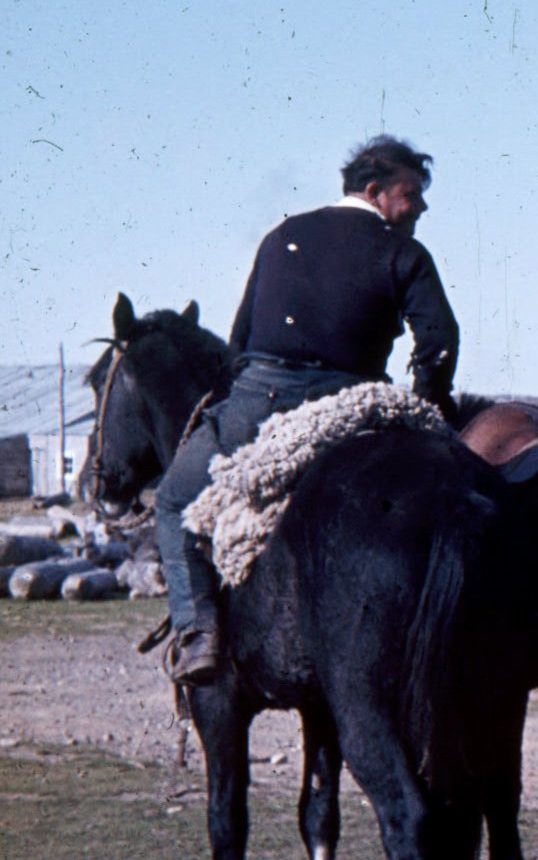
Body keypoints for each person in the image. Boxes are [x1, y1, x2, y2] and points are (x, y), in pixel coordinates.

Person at [156, 135, 459, 686]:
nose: (421, 207)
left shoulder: (282, 236)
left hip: (259, 397)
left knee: (176, 500)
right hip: (351, 406)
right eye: (411, 194)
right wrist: (428, 412)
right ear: (375, 191)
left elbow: (240, 338)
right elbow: (438, 344)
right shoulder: (403, 252)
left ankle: (198, 631)